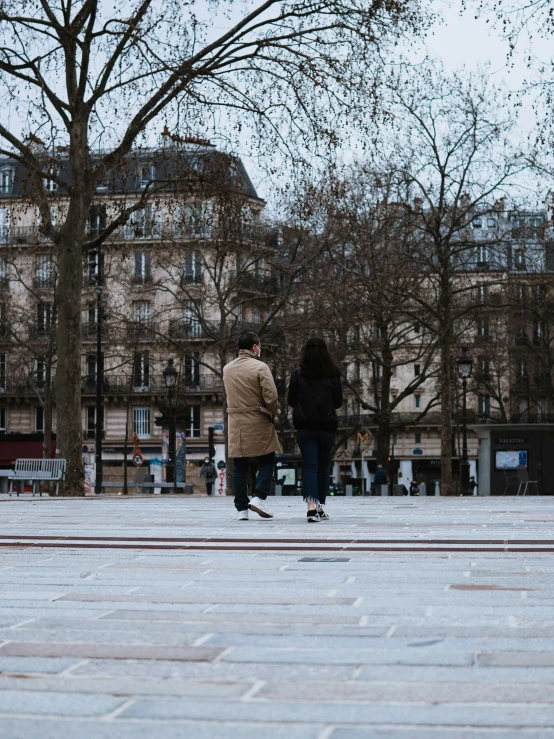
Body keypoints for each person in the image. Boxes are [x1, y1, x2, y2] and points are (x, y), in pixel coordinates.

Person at [223, 331, 281, 520]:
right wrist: (271, 411)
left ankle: (241, 509)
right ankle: (258, 496)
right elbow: (271, 397)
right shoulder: (260, 367)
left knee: (239, 464)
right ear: (255, 346)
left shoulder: (227, 369)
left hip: (235, 422)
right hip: (257, 418)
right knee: (267, 458)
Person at [287, 338, 343, 522]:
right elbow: (338, 402)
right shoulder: (333, 374)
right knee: (322, 467)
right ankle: (320, 507)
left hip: (305, 427)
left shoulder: (298, 374)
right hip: (327, 427)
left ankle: (311, 507)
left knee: (310, 465)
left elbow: (290, 400)